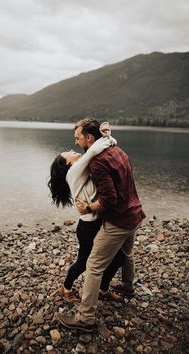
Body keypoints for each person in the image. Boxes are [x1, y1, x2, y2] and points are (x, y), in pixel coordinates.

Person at [58, 117, 146, 332]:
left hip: (118, 220)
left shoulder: (97, 163)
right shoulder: (118, 151)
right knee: (124, 256)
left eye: (78, 138)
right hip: (135, 214)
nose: (76, 144)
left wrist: (87, 208)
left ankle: (85, 319)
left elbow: (109, 201)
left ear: (89, 138)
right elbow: (95, 150)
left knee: (94, 266)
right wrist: (107, 136)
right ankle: (126, 288)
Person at [48, 122, 124, 304]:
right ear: (67, 163)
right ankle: (66, 287)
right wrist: (109, 138)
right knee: (83, 262)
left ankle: (103, 289)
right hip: (88, 226)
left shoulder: (81, 169)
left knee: (118, 257)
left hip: (100, 220)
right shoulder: (73, 172)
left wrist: (108, 138)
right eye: (70, 153)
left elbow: (95, 152)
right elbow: (92, 151)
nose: (74, 150)